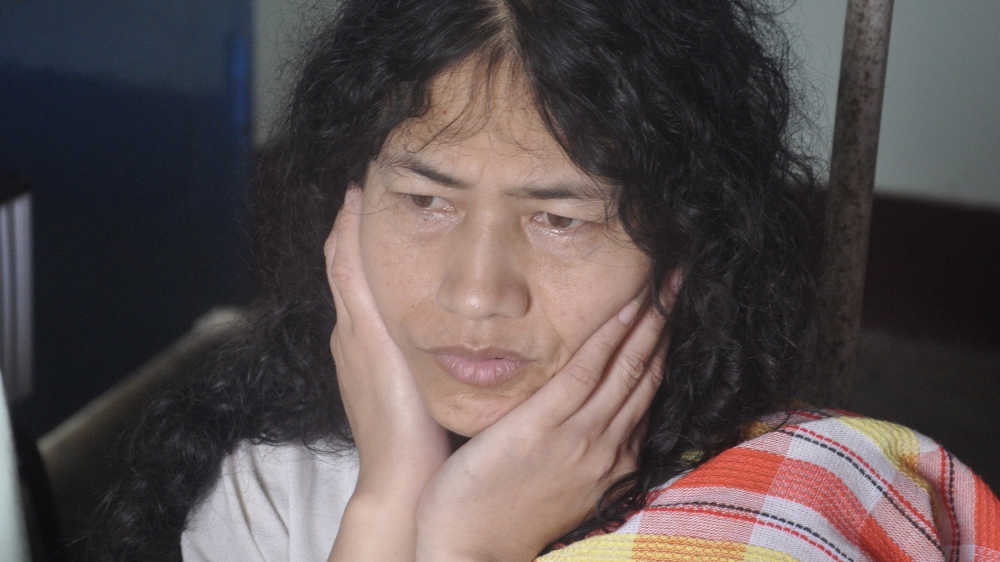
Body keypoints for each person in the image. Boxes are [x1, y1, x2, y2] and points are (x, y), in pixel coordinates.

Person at [94, 0, 1000, 560]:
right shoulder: (266, 489)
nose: (479, 292)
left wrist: (469, 548)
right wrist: (389, 500)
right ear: (349, 207)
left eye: (561, 218)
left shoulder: (779, 512)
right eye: (426, 200)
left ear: (687, 242)